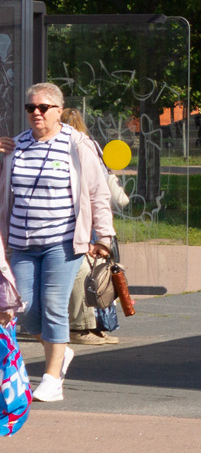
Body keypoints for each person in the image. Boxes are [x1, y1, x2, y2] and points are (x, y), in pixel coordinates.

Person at [1, 83, 116, 402]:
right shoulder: (16, 146)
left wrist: (103, 236)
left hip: (62, 243)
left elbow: (98, 193)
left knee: (53, 305)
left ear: (58, 110)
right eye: (30, 108)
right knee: (23, 308)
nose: (36, 113)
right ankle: (59, 351)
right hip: (22, 241)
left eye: (43, 108)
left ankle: (53, 379)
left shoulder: (77, 144)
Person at [59, 109, 119, 346]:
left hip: (83, 217)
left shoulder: (81, 146)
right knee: (95, 274)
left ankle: (87, 325)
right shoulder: (91, 144)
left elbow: (96, 186)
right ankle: (94, 325)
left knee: (87, 273)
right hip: (90, 217)